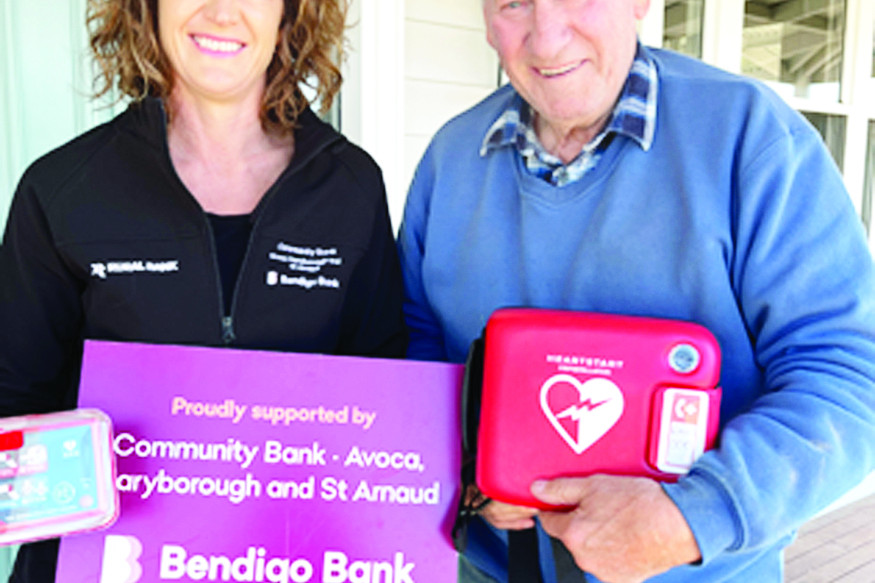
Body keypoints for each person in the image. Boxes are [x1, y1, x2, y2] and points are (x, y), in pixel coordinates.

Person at [397, 0, 875, 581]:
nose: (547, 39)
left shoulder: (752, 139)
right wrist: (467, 471)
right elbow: (416, 354)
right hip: (491, 570)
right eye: (514, 3)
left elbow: (849, 376)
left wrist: (694, 515)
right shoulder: (451, 158)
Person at [0, 0, 407, 580]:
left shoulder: (350, 187)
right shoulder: (61, 190)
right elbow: (12, 408)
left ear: (290, 13)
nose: (221, 12)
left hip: (290, 563)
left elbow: (385, 403)